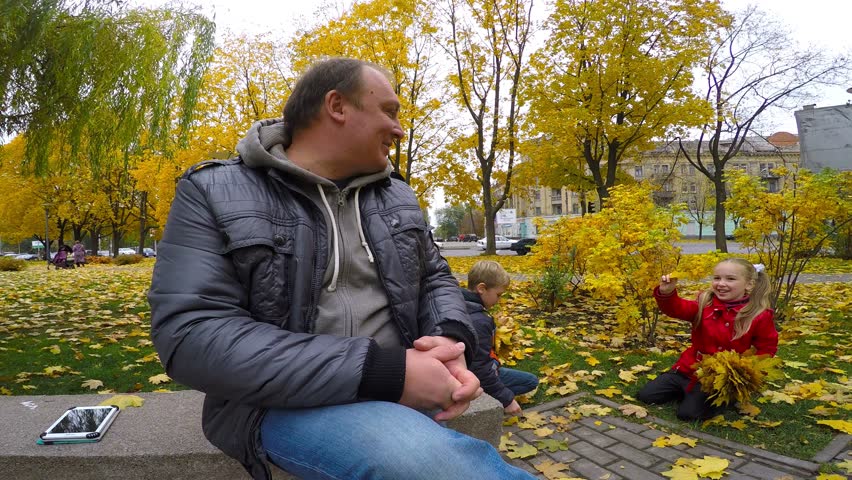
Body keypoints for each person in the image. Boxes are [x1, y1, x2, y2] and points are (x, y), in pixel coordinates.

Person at [148, 58, 534, 480]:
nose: (399, 129)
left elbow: (435, 278)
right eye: (388, 111)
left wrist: (447, 339)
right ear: (337, 106)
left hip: (406, 384)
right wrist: (385, 373)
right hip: (281, 402)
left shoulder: (397, 195)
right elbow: (191, 334)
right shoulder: (212, 191)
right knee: (433, 465)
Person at [636, 258, 778, 421]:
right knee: (646, 396)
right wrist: (667, 293)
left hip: (717, 377)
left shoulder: (758, 315)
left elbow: (766, 348)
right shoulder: (704, 303)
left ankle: (725, 398)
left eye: (730, 279)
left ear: (749, 284)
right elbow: (677, 309)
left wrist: (745, 375)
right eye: (717, 278)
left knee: (688, 414)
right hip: (688, 369)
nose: (721, 283)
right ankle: (687, 392)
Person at [463, 260, 539, 416]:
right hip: (474, 376)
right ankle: (483, 398)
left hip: (472, 370)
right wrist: (507, 400)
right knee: (530, 382)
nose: (499, 300)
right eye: (498, 295)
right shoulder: (479, 321)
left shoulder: (460, 303)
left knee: (529, 380)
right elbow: (480, 368)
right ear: (482, 288)